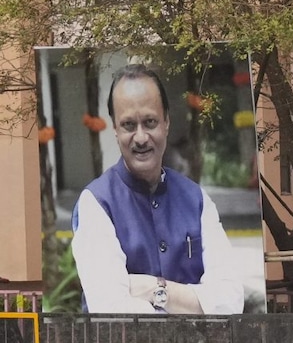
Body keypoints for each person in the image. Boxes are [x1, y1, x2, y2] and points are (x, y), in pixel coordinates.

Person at [70, 63, 244, 314]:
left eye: (150, 122)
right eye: (129, 125)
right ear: (116, 131)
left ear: (166, 123)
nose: (140, 138)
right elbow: (110, 310)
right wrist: (194, 300)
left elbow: (230, 301)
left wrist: (156, 289)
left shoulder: (196, 199)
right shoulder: (95, 203)